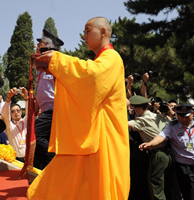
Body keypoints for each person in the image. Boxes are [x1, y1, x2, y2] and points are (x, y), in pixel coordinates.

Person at [27, 17, 130, 199]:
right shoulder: (102, 60)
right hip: (92, 136)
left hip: (104, 137)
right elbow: (85, 80)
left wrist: (58, 62)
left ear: (103, 32)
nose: (84, 36)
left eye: (88, 31)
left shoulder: (112, 58)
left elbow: (91, 77)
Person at [140, 104, 194, 200]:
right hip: (184, 167)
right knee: (190, 195)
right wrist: (150, 144)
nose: (183, 119)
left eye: (186, 116)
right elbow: (161, 136)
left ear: (192, 114)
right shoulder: (172, 126)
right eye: (180, 116)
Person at [128, 95, 171, 200]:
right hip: (169, 153)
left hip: (158, 155)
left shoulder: (142, 120)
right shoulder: (159, 116)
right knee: (167, 185)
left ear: (138, 108)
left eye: (134, 108)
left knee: (155, 186)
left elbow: (122, 124)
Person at [34, 29, 64, 169]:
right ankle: (48, 171)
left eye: (41, 42)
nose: (38, 44)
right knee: (44, 141)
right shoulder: (40, 67)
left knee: (36, 134)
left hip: (55, 109)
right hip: (46, 111)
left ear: (50, 46)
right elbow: (40, 93)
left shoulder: (56, 63)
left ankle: (55, 162)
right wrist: (33, 113)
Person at [2, 87, 28, 161]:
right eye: (13, 111)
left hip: (28, 158)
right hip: (14, 160)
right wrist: (8, 99)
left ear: (21, 112)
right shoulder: (9, 126)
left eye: (18, 110)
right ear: (10, 114)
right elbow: (4, 114)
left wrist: (26, 99)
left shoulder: (25, 122)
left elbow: (30, 113)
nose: (16, 112)